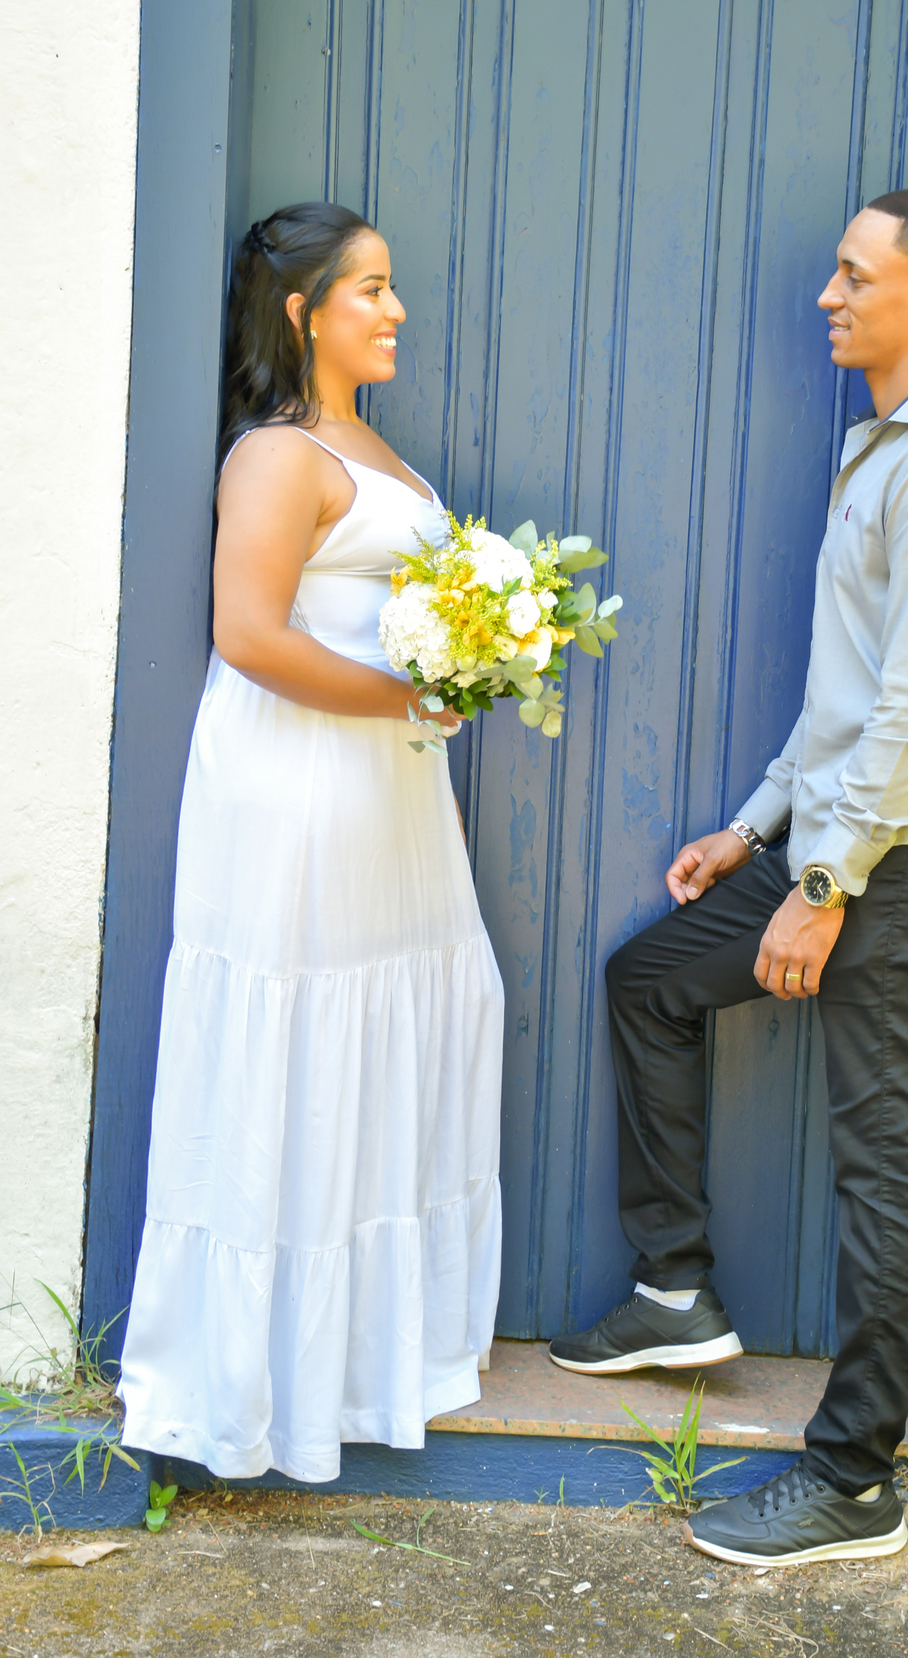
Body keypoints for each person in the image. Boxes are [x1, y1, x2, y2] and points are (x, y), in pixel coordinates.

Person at [548, 188, 908, 1566]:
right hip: (842, 843)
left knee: (885, 1171)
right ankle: (674, 1287)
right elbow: (850, 695)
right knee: (651, 978)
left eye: (853, 274)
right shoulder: (885, 453)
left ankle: (855, 1480)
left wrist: (823, 890)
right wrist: (758, 832)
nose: (828, 294)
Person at [119, 203, 504, 1482]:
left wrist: (447, 699)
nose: (397, 310)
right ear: (303, 312)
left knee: (399, 1039)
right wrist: (410, 699)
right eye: (372, 289)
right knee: (299, 1053)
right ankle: (249, 1384)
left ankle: (369, 1360)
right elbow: (250, 633)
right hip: (300, 788)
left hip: (391, 794)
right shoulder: (278, 455)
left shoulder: (372, 447)